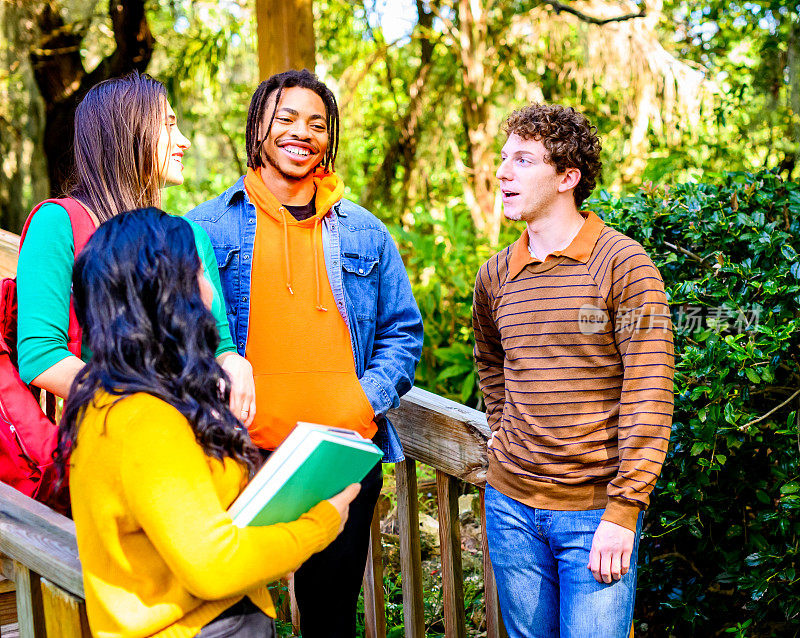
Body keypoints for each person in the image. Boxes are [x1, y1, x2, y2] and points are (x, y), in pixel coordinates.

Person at [186, 69, 423, 638]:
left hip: (340, 456)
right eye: (287, 118)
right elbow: (183, 336)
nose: (303, 132)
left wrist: (360, 400)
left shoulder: (365, 232)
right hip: (240, 454)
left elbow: (402, 331)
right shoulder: (204, 227)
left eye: (317, 123)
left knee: (329, 615)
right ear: (259, 127)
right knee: (234, 615)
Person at [55, 209, 360, 638]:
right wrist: (321, 522)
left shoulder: (109, 398)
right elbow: (213, 566)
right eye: (199, 273)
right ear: (165, 294)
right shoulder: (145, 419)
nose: (212, 296)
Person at [472, 104, 674, 637]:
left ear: (567, 177)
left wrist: (624, 510)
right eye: (503, 157)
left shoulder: (624, 265)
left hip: (594, 513)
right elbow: (491, 358)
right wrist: (502, 425)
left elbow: (650, 392)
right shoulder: (495, 275)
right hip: (510, 504)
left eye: (522, 160)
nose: (502, 172)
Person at [16, 71, 255, 422]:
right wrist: (141, 408)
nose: (184, 140)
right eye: (169, 125)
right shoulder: (58, 223)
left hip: (186, 439)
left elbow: (218, 344)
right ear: (126, 132)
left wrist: (234, 363)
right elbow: (40, 355)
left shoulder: (190, 235)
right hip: (101, 440)